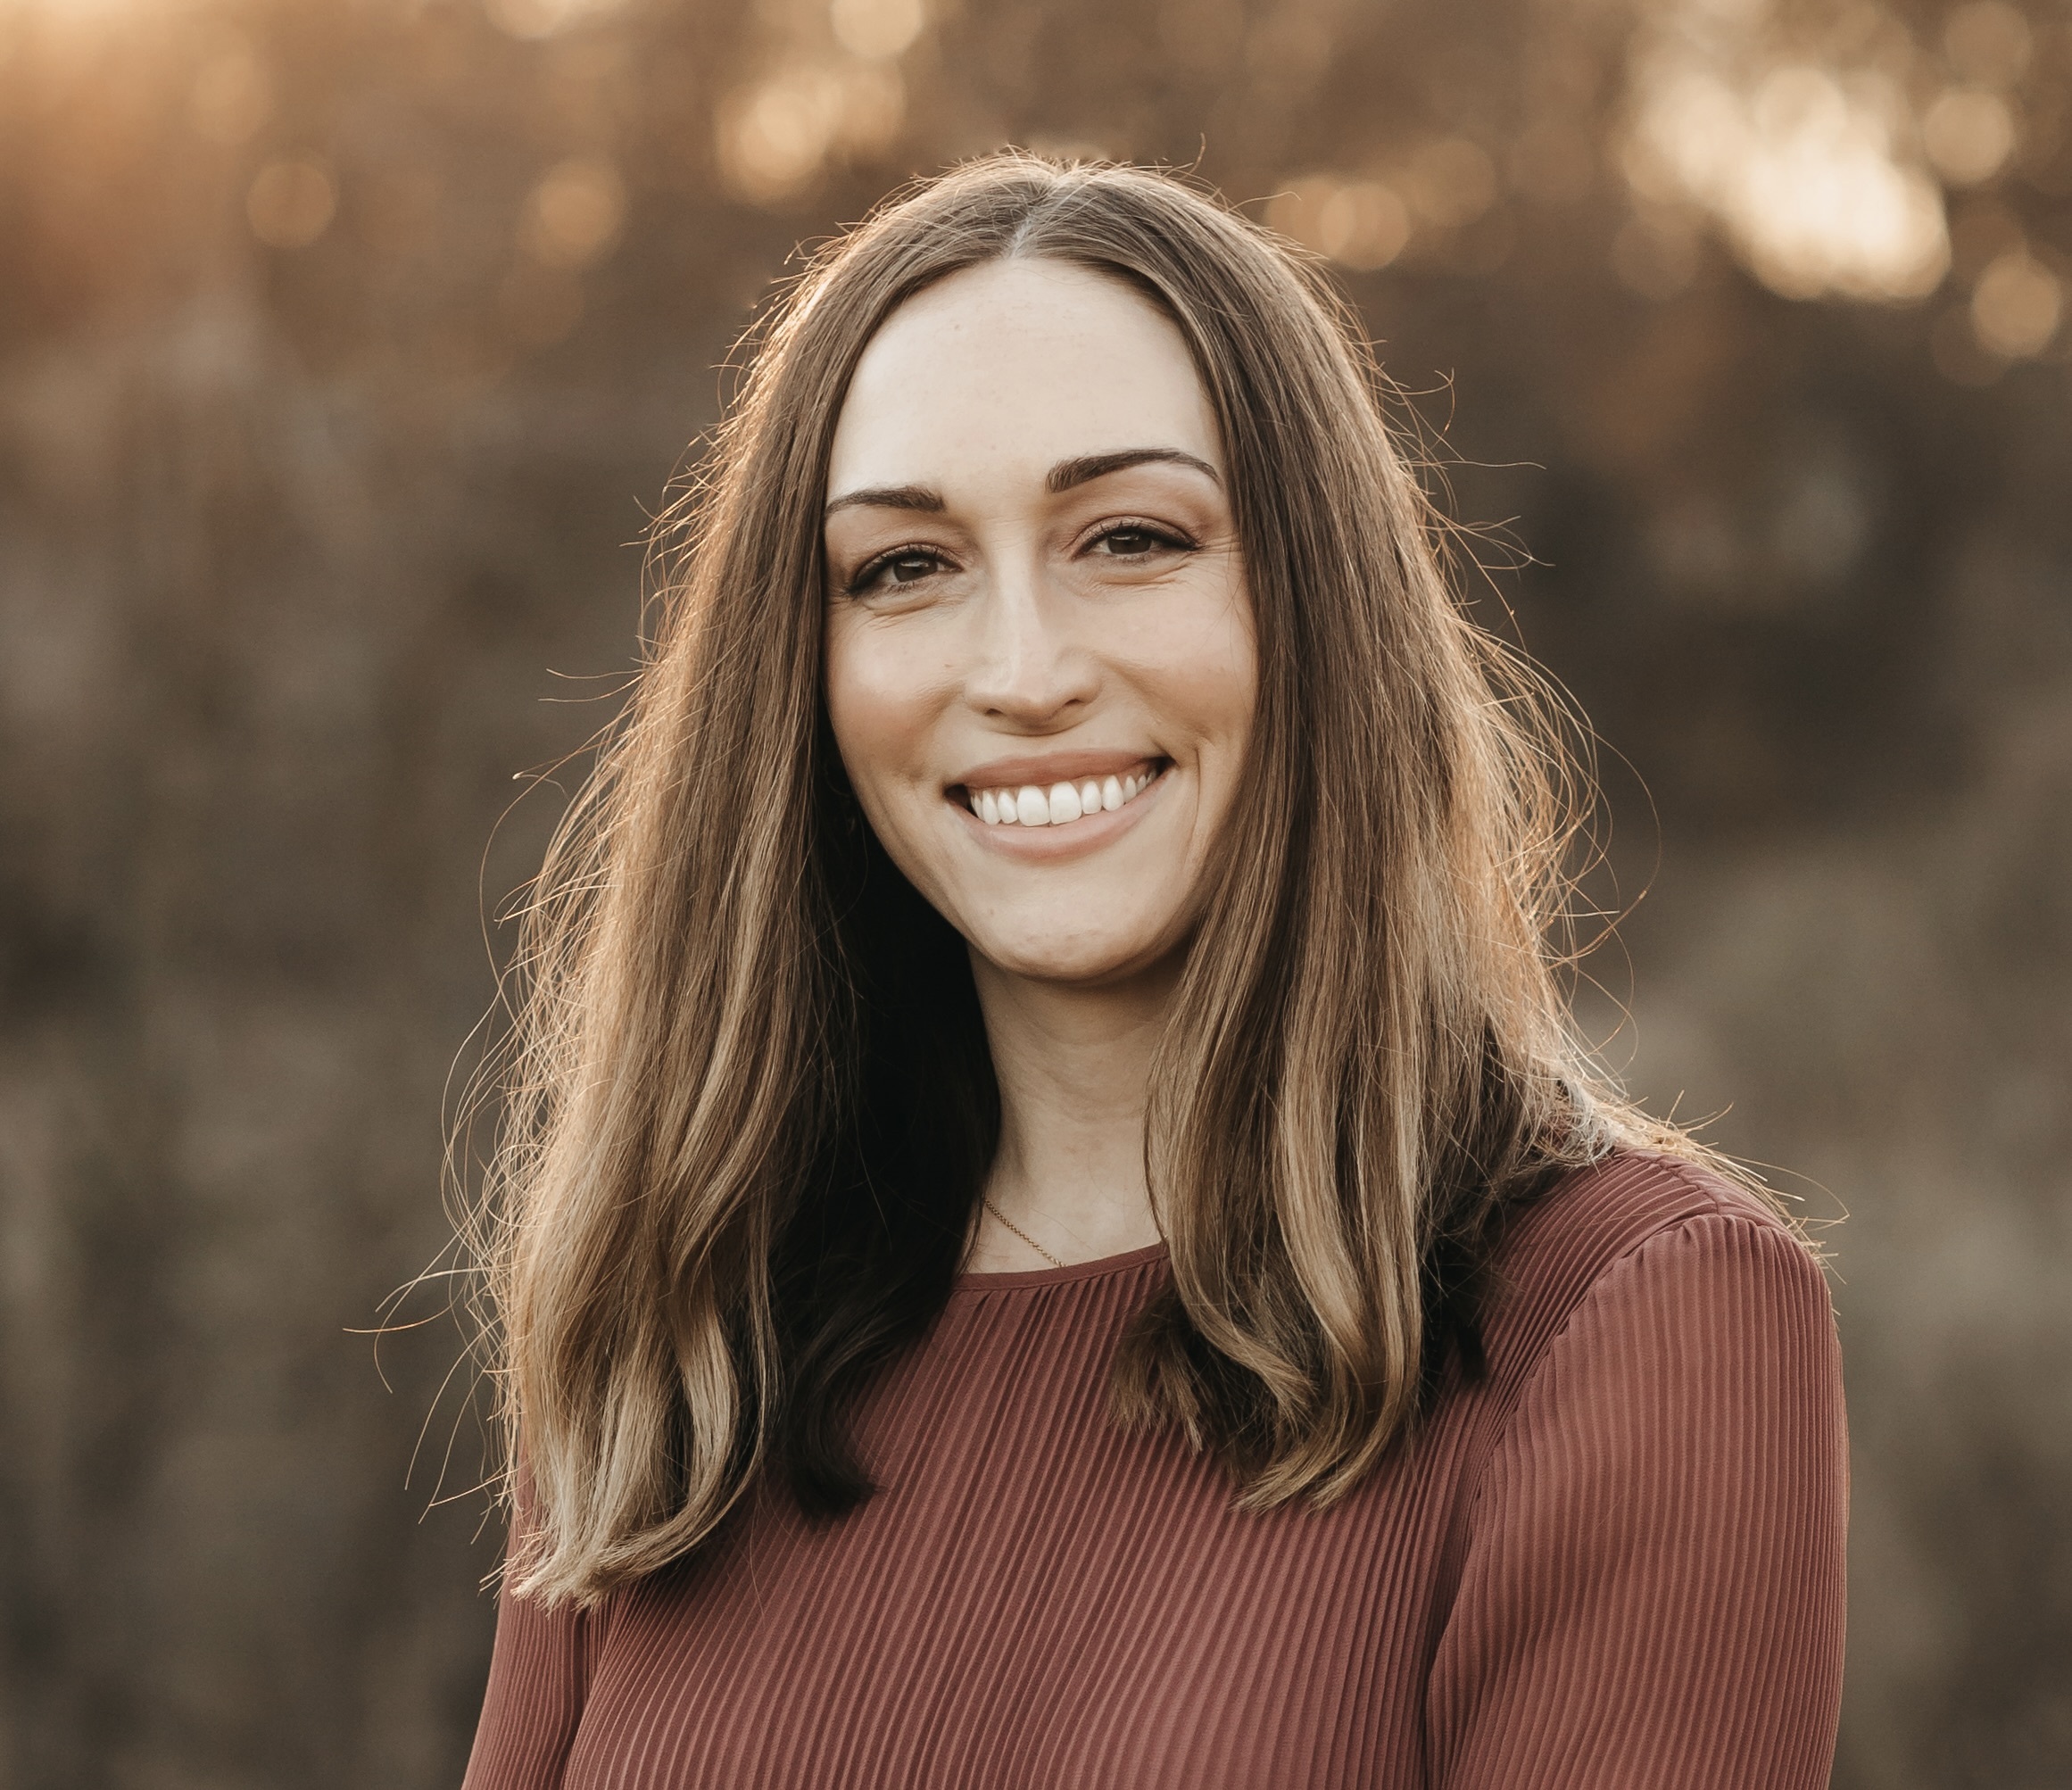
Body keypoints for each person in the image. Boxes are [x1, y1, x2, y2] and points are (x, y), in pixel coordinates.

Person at [458, 153, 1846, 1789]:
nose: (1022, 671)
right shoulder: (679, 1340)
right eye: (903, 565)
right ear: (806, 672)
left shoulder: (1627, 1326)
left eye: (1129, 536)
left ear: (1311, 602)